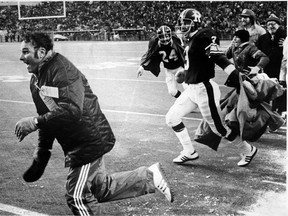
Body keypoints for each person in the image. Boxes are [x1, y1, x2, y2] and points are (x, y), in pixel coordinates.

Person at [15, 32, 174, 215]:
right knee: (100, 189)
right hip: (76, 141)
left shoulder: (62, 70)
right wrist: (43, 151)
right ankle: (149, 177)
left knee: (77, 196)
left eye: (25, 51)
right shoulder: (36, 79)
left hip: (87, 139)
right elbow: (47, 116)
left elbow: (72, 110)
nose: (21, 57)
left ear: (41, 52)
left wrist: (34, 122)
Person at [165, 8, 258, 167]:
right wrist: (185, 73)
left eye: (187, 22)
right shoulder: (191, 39)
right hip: (191, 89)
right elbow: (197, 63)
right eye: (182, 23)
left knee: (219, 129)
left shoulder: (204, 35)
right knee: (171, 118)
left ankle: (247, 149)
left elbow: (218, 57)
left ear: (196, 22)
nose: (183, 26)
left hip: (204, 89)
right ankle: (189, 151)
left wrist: (234, 74)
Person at [137, 25, 186, 98]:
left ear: (170, 35)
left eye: (166, 36)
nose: (165, 39)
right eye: (162, 37)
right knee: (172, 92)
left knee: (189, 87)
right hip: (169, 70)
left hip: (180, 68)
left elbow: (184, 52)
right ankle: (183, 99)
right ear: (158, 37)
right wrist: (142, 67)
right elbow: (149, 55)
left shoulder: (176, 40)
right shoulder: (156, 44)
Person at [256, 14, 287, 115]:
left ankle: (281, 111)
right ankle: (270, 111)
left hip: (281, 68)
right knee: (269, 90)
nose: (270, 26)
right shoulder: (263, 38)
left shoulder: (284, 36)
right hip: (268, 69)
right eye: (268, 24)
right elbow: (257, 51)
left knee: (282, 90)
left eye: (273, 24)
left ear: (278, 25)